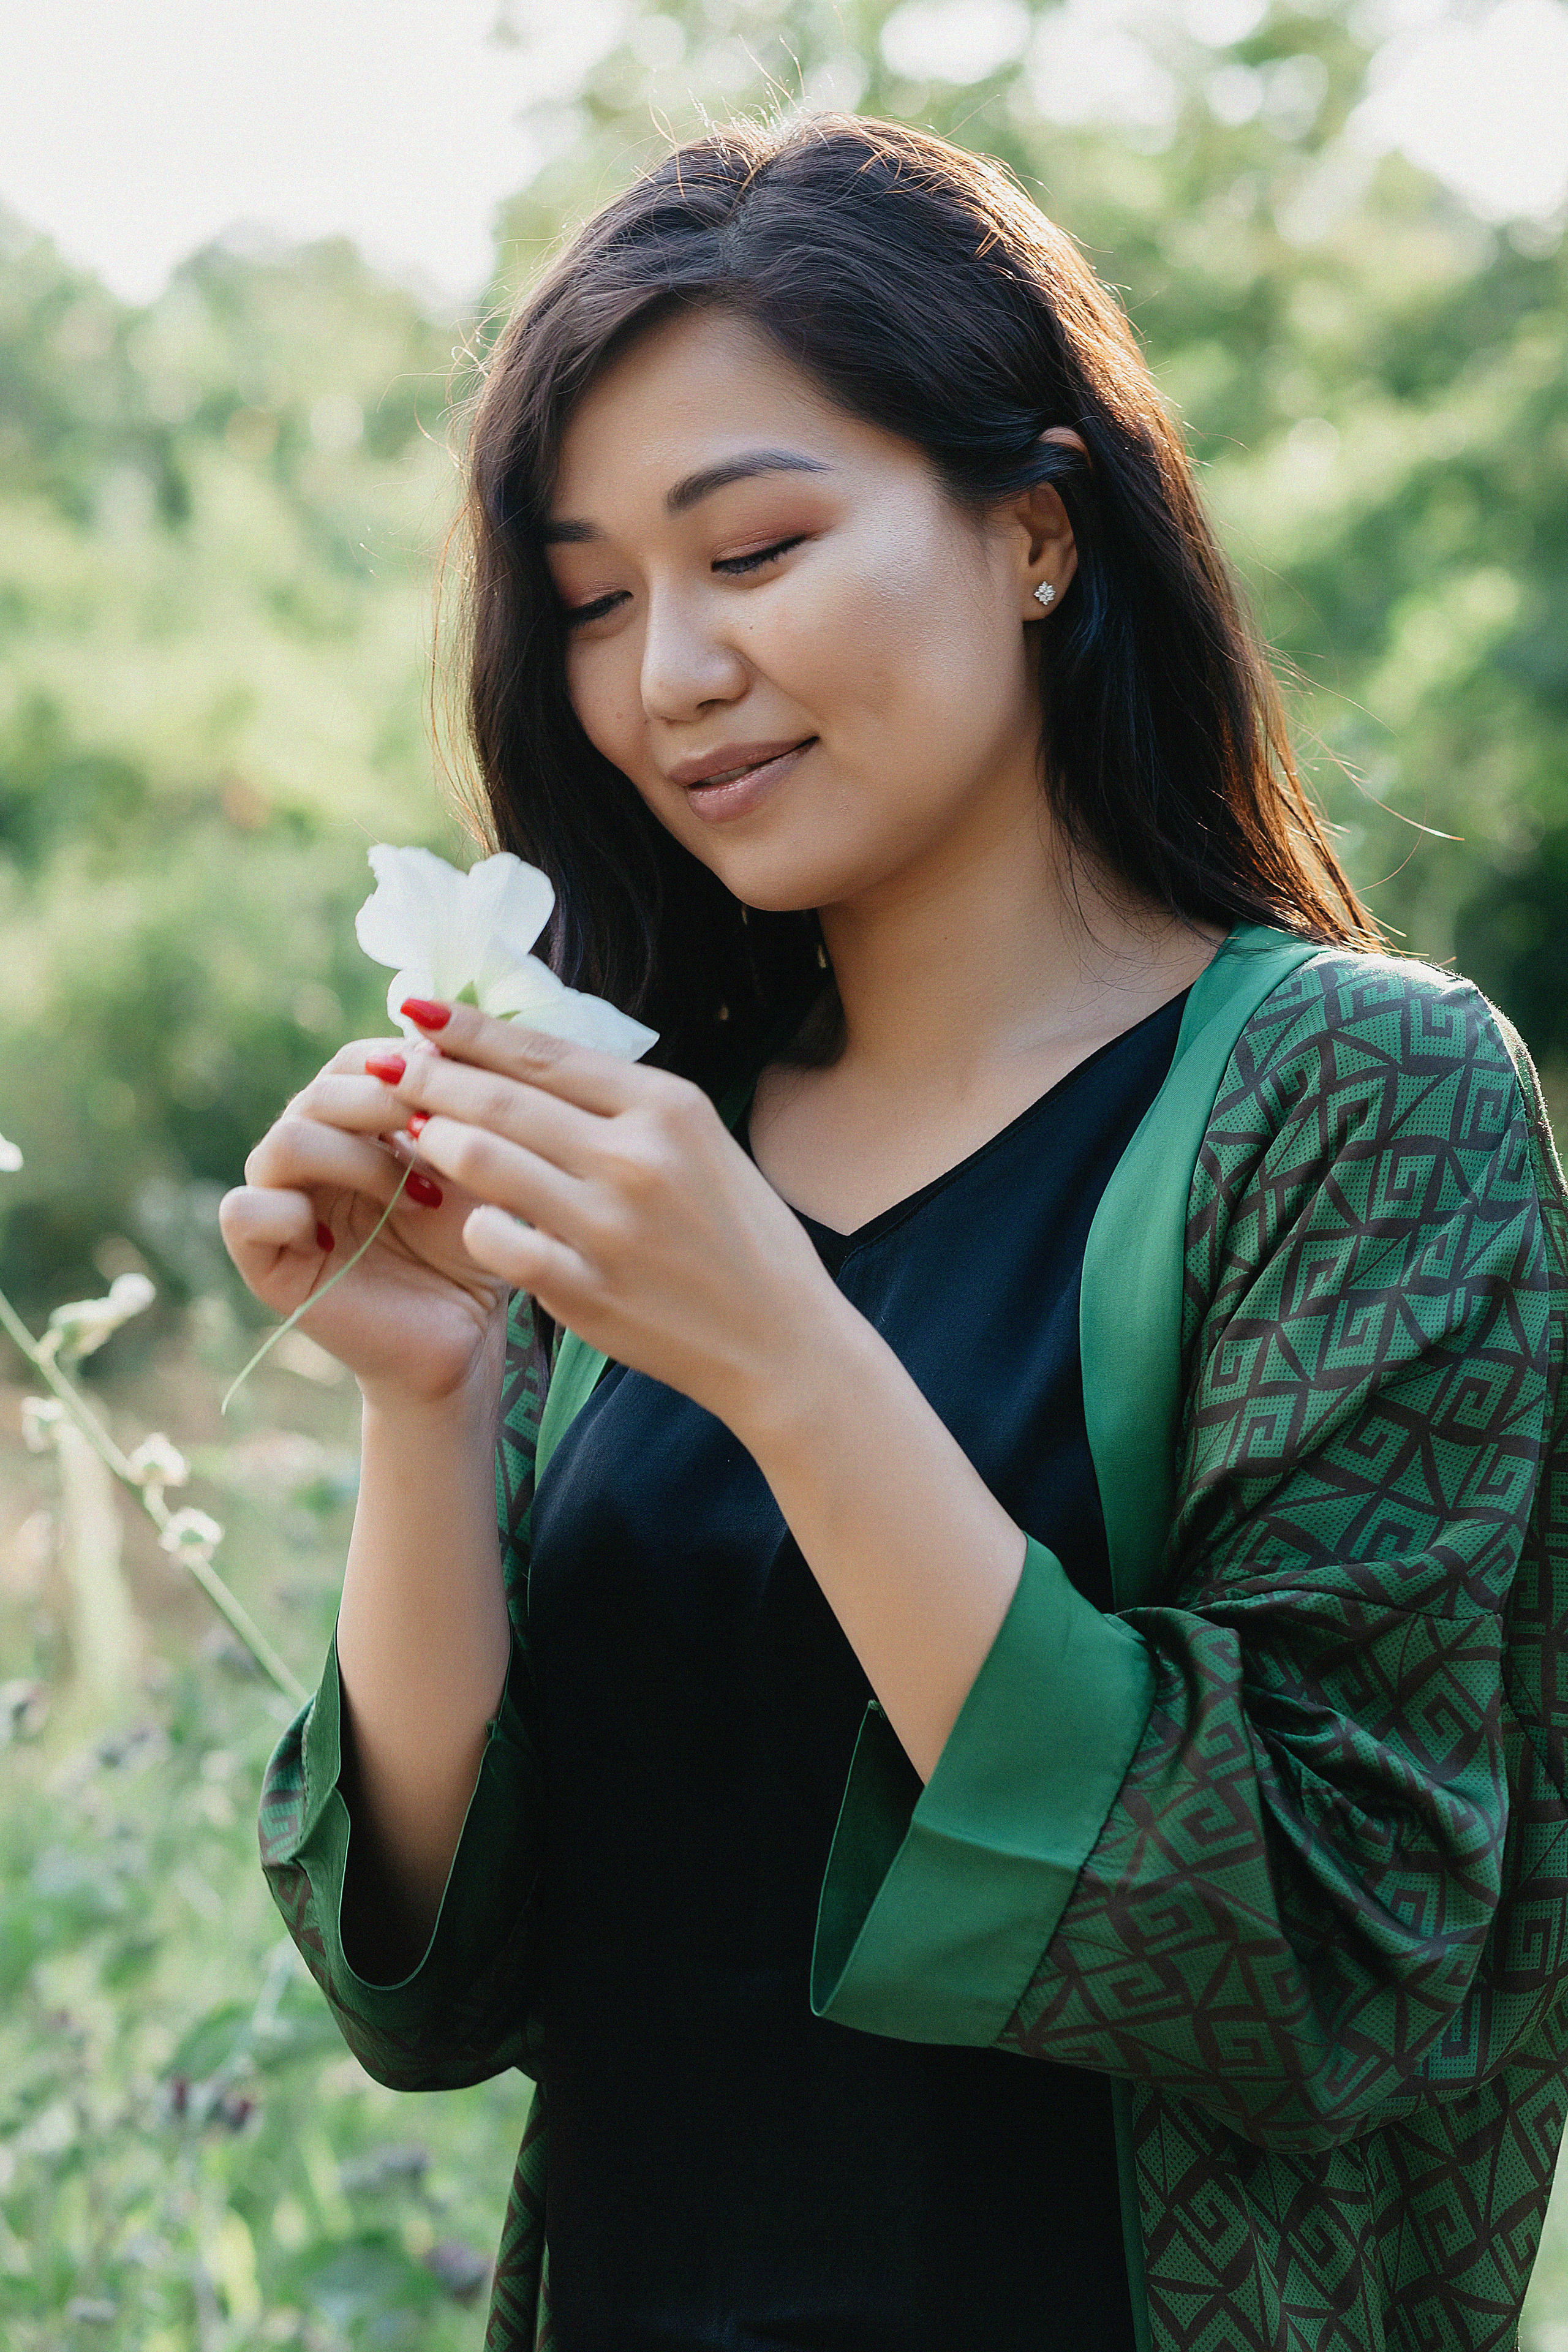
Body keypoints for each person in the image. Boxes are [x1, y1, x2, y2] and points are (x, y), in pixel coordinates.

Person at [221, 116, 1568, 2352]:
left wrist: (784, 1356)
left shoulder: (1355, 1096)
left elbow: (1341, 1945)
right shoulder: (658, 1129)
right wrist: (433, 1397)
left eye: (751, 547)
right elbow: (446, 1984)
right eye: (590, 601)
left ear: (1036, 531)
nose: (667, 675)